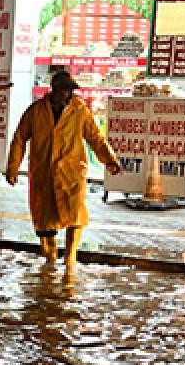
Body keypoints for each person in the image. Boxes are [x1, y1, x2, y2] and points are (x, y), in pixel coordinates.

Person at [6, 70, 122, 265]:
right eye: (63, 90)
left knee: (75, 215)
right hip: (44, 174)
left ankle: (70, 258)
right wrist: (13, 168)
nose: (67, 94)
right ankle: (50, 261)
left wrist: (110, 160)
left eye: (69, 90)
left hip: (72, 173)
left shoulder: (80, 111)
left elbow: (95, 138)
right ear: (54, 90)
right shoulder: (36, 111)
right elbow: (19, 139)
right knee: (45, 221)